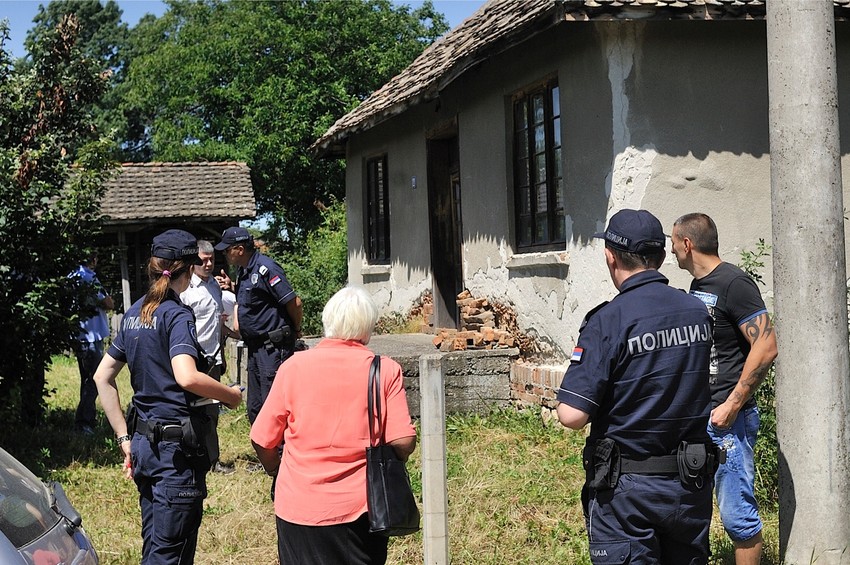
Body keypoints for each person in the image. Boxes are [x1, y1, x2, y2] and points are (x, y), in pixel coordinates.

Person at [556, 209, 715, 564]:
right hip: (689, 486)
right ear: (660, 257)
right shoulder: (696, 312)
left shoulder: (608, 321)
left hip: (626, 494)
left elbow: (571, 415)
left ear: (610, 257)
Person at [93, 229, 243, 565]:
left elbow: (102, 377)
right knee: (169, 554)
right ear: (189, 270)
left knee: (156, 543)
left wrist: (123, 438)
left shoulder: (134, 314)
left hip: (145, 446)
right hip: (175, 455)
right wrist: (230, 396)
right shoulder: (175, 315)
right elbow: (186, 376)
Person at [250, 285, 416, 564]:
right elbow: (403, 441)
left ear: (328, 321)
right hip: (361, 510)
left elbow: (262, 439)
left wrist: (276, 470)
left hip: (297, 507)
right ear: (368, 327)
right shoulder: (384, 369)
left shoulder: (293, 367)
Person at [671, 213, 778, 565]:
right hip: (704, 415)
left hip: (728, 421)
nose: (671, 250)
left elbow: (766, 346)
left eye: (674, 242)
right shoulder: (699, 286)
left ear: (687, 243)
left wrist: (732, 404)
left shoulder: (734, 283)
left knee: (737, 515)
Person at [214, 226, 303, 424]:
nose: (225, 254)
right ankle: (267, 451)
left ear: (239, 249)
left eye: (227, 250)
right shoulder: (244, 270)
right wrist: (232, 287)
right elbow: (255, 296)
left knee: (275, 407)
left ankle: (283, 453)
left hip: (272, 348)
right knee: (256, 408)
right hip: (255, 348)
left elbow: (294, 302)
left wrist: (296, 330)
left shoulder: (266, 268)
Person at [179, 240, 239, 475]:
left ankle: (212, 461)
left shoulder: (215, 286)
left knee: (211, 412)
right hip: (190, 359)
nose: (208, 264)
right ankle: (188, 458)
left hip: (213, 359)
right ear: (193, 262)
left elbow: (221, 322)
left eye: (212, 259)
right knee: (187, 411)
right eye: (203, 260)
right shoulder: (185, 289)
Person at [69, 254, 114, 435]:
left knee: (87, 379)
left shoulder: (72, 276)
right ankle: (84, 423)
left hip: (79, 334)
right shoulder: (88, 277)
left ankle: (88, 419)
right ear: (94, 259)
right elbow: (107, 302)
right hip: (90, 336)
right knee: (94, 380)